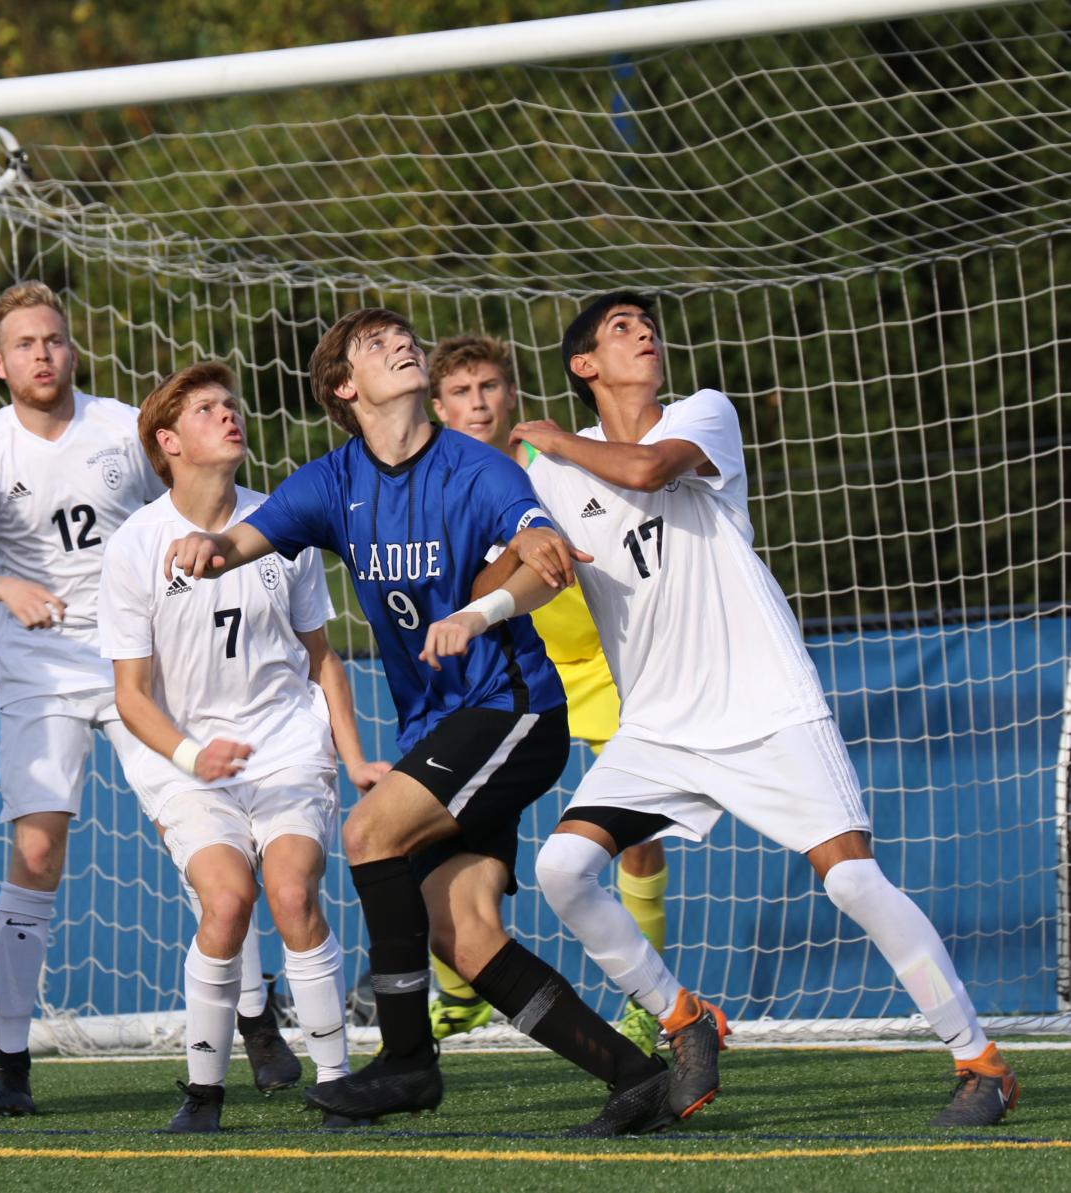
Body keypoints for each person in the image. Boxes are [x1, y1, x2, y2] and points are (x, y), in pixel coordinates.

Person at [505, 291, 1018, 1128]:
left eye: (646, 323)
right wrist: (480, 598)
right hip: (660, 728)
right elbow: (529, 572)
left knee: (852, 879)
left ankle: (980, 1061)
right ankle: (683, 1017)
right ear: (583, 364)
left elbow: (644, 470)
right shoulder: (549, 476)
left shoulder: (701, 413)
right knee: (561, 870)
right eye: (619, 328)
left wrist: (543, 435)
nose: (644, 333)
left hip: (767, 705)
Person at [164, 309, 675, 1136]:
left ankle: (405, 1059)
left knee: (367, 832)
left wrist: (538, 540)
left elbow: (530, 527)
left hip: (510, 709)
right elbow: (242, 540)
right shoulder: (331, 482)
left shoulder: (472, 467)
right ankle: (634, 1075)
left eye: (403, 337)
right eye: (375, 344)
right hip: (441, 726)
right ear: (343, 386)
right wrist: (206, 550)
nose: (402, 344)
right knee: (462, 937)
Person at [0, 282, 297, 1115]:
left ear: (71, 349)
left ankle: (259, 1017)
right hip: (39, 666)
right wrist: (1, 587)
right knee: (37, 854)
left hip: (145, 659)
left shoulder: (123, 429)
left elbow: (199, 507)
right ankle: (9, 1058)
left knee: (213, 838)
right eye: (24, 343)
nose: (42, 353)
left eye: (53, 338)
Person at [99, 362, 389, 1132]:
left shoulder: (280, 526)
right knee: (226, 903)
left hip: (287, 746)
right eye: (206, 409)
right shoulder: (135, 545)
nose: (229, 415)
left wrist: (355, 757)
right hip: (188, 758)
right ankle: (202, 1093)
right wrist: (195, 756)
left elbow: (322, 659)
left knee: (292, 892)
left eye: (231, 404)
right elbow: (130, 695)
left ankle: (336, 1083)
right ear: (169, 441)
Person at [425, 334, 670, 1056]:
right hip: (506, 680)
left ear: (511, 398)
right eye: (462, 392)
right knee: (444, 833)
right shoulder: (435, 491)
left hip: (604, 669)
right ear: (437, 407)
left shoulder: (551, 464)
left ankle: (644, 1002)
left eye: (490, 387)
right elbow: (463, 595)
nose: (478, 402)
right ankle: (462, 987)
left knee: (637, 839)